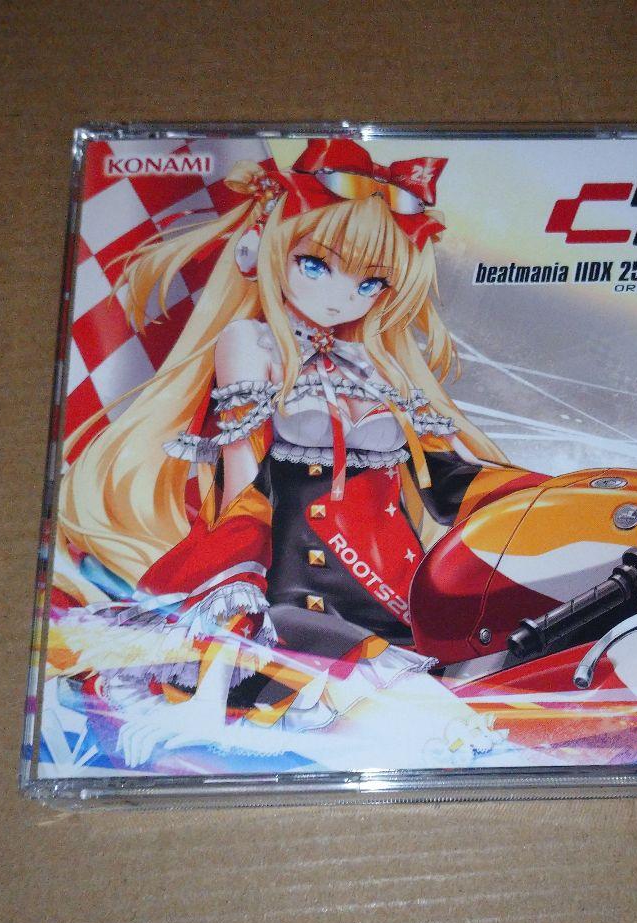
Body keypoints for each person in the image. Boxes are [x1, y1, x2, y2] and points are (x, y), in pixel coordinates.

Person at [51, 138, 544, 769]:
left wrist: (551, 495)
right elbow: (244, 479)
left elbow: (435, 476)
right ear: (267, 247)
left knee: (476, 718)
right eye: (316, 265)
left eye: (370, 282)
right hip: (295, 585)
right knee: (416, 727)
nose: (342, 296)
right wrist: (228, 612)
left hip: (394, 589)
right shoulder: (251, 342)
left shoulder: (377, 363)